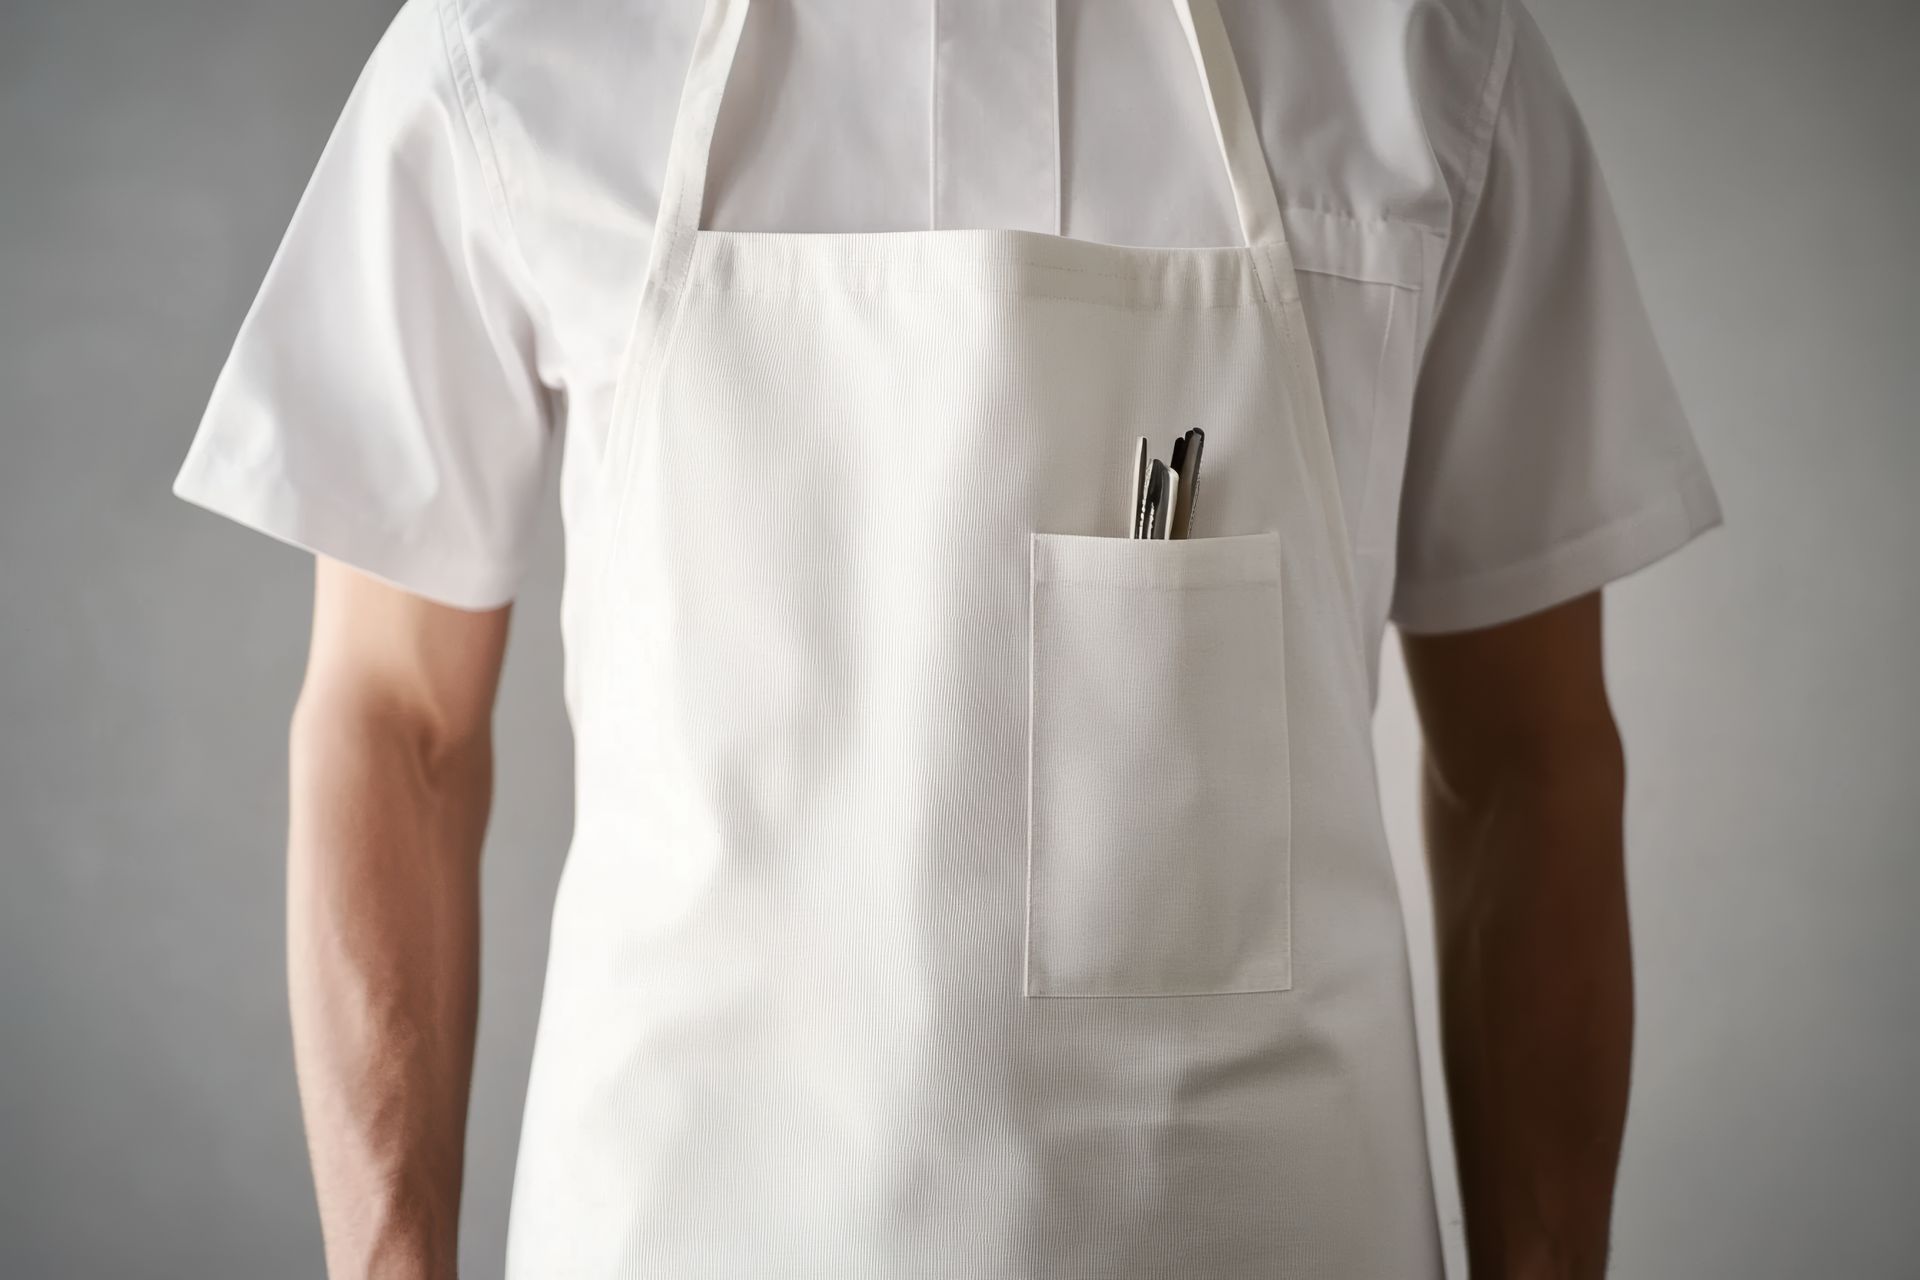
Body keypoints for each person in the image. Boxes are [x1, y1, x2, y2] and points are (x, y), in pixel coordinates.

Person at [172, 0, 1721, 1275]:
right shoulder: (517, 53)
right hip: (677, 1224)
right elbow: (397, 723)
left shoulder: (1418, 58)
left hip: (1266, 1225)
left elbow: (1531, 760)